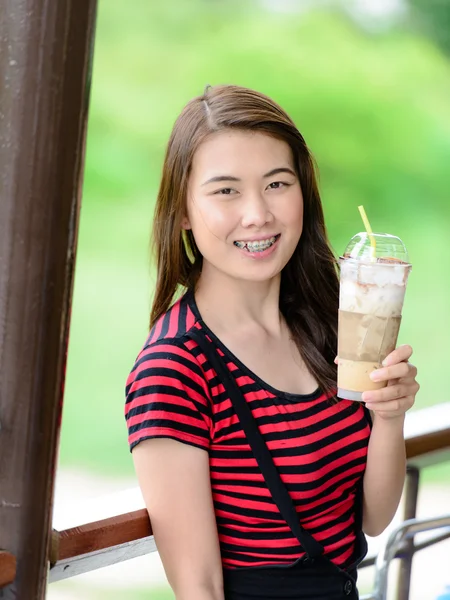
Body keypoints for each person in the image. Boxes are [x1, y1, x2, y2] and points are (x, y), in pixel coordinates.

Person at [124, 84, 419, 600]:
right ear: (185, 212)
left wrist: (390, 417)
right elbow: (199, 587)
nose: (258, 213)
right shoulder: (175, 366)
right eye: (226, 190)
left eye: (277, 184)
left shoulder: (326, 322)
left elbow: (372, 518)